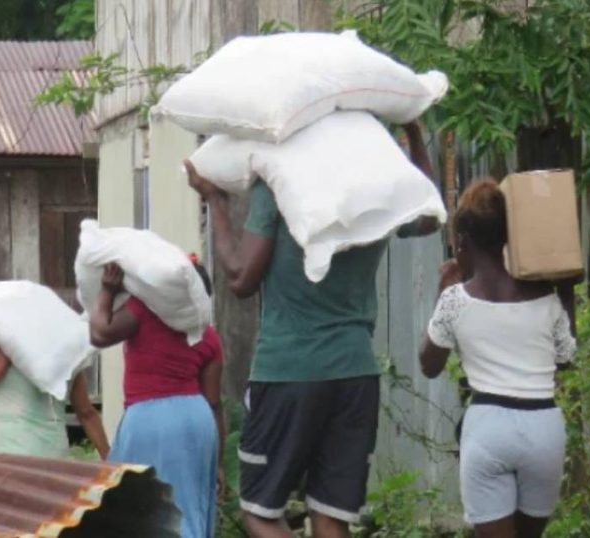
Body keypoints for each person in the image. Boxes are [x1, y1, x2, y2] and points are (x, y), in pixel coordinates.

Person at [184, 121, 440, 538]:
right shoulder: (372, 189)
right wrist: (413, 133)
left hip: (289, 370)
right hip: (355, 371)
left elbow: (241, 276)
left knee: (261, 512)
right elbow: (429, 215)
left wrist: (215, 200)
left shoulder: (281, 182)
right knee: (330, 515)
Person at [419, 180, 577, 538]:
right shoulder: (546, 298)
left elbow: (429, 365)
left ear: (463, 241)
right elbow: (565, 358)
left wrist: (441, 292)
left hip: (488, 428)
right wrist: (567, 295)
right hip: (544, 430)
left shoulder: (455, 300)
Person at [88, 257, 224, 538]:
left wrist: (106, 291)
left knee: (138, 508)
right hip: (196, 420)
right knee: (186, 508)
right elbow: (214, 404)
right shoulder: (207, 335)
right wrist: (217, 461)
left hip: (149, 420)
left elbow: (99, 332)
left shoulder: (143, 312)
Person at [0, 345, 109, 460]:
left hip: (8, 450)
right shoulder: (67, 349)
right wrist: (109, 458)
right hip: (54, 452)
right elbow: (86, 413)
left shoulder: (8, 339)